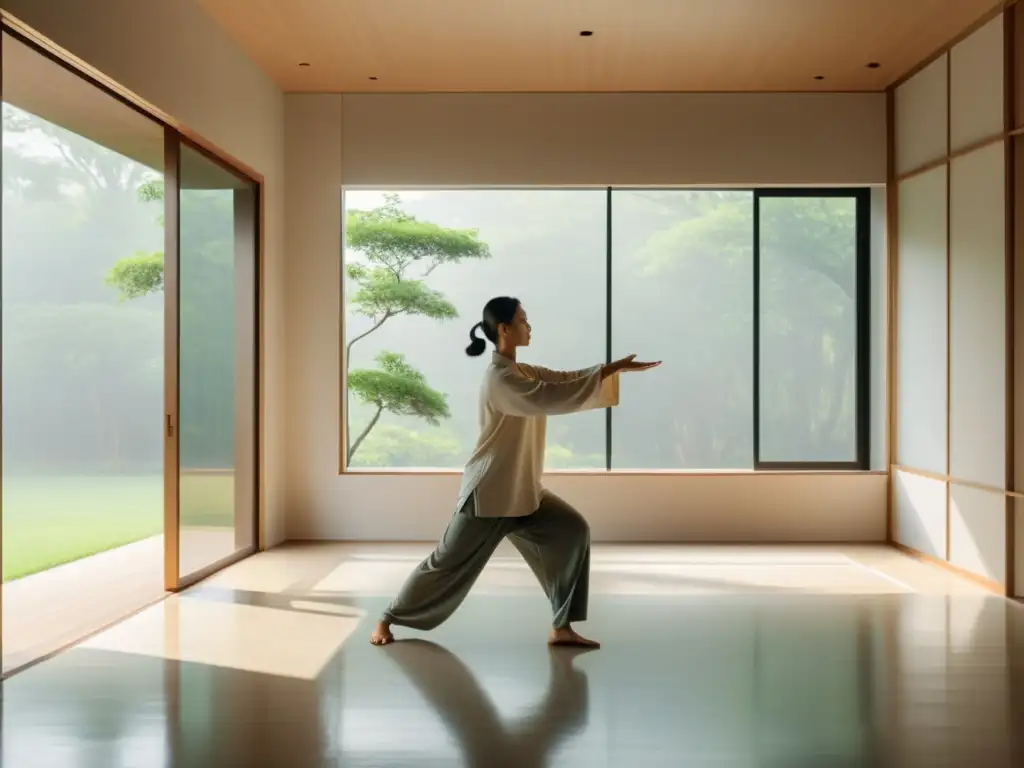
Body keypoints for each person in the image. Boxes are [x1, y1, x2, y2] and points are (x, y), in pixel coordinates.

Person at [369, 296, 660, 648]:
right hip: (490, 494)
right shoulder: (501, 380)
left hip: (523, 491)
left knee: (572, 531)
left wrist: (608, 369)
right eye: (523, 320)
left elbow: (563, 380)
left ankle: (561, 627)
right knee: (445, 563)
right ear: (504, 329)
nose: (529, 325)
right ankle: (387, 618)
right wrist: (605, 373)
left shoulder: (523, 372)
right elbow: (549, 395)